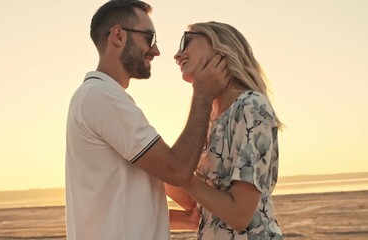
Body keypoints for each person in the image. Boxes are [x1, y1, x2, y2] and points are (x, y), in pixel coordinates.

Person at [65, 1, 231, 239]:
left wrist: (186, 216)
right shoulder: (101, 96)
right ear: (118, 36)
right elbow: (177, 170)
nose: (156, 51)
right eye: (149, 38)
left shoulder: (103, 98)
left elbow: (163, 183)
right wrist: (203, 95)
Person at [167, 21, 284, 240]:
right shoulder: (210, 116)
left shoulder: (251, 106)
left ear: (220, 46)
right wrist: (149, 161)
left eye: (186, 40)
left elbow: (240, 215)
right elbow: (194, 203)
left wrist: (181, 174)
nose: (177, 54)